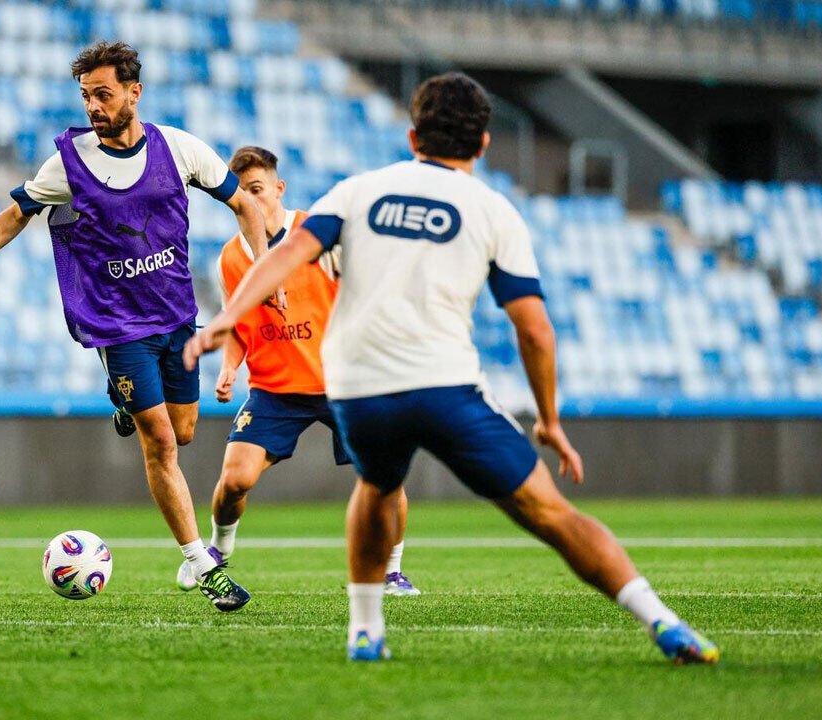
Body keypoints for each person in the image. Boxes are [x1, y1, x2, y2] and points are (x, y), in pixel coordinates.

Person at [183, 73, 719, 662]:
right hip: (444, 386)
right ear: (484, 144)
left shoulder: (357, 193)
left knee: (376, 484)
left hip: (361, 390)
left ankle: (366, 629)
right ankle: (661, 620)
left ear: (413, 137)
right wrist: (549, 420)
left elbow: (285, 253)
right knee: (549, 512)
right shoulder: (493, 210)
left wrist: (224, 319)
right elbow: (534, 329)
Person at [0, 41, 270, 612]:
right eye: (86, 96)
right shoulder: (68, 163)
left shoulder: (179, 148)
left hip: (176, 317)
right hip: (117, 326)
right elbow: (16, 213)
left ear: (134, 93)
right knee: (159, 441)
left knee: (185, 431)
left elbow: (246, 206)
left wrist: (264, 274)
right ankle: (203, 566)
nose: (93, 106)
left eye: (104, 94)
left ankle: (122, 401)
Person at [175, 146, 419, 597]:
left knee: (385, 475)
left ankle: (391, 572)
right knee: (234, 481)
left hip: (344, 382)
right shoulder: (230, 258)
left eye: (257, 189)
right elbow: (239, 323)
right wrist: (229, 366)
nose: (250, 200)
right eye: (240, 194)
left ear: (279, 189)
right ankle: (219, 551)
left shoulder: (317, 234)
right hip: (275, 388)